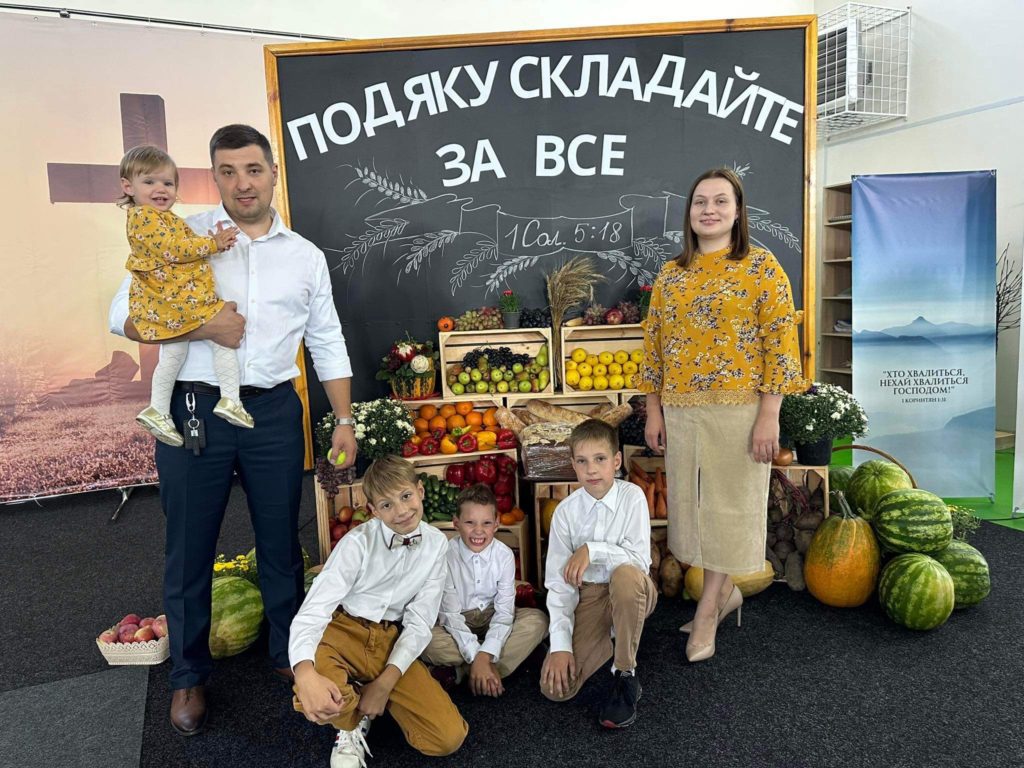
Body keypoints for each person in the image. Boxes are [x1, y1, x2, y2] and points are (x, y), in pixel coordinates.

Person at [108, 125, 358, 736]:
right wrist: (204, 329)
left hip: (274, 411)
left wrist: (344, 419)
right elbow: (121, 317)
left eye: (253, 169)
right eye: (227, 171)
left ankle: (285, 653)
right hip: (196, 409)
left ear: (273, 172)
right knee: (189, 547)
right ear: (213, 176)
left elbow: (326, 340)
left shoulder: (304, 255)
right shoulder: (178, 233)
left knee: (280, 543)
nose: (241, 182)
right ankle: (187, 676)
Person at [638, 167, 807, 663]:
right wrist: (653, 410)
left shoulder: (761, 266)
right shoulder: (671, 274)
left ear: (738, 211)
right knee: (692, 512)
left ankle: (709, 609)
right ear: (688, 213)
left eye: (720, 201)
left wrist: (769, 415)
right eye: (699, 202)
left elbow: (780, 344)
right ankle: (724, 593)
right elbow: (654, 349)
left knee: (729, 509)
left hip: (740, 411)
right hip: (682, 410)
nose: (708, 210)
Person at [290, 455, 468, 767]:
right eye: (386, 505)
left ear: (420, 490)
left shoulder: (437, 544)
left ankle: (359, 694)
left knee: (447, 738)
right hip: (341, 629)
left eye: (406, 496)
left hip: (389, 638)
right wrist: (303, 672)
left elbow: (421, 620)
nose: (401, 511)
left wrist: (385, 683)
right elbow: (314, 610)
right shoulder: (357, 542)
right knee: (319, 697)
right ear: (372, 510)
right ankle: (348, 723)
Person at [118, 145, 254, 446]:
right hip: (178, 303)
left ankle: (158, 409)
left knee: (175, 354)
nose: (161, 189)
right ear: (128, 186)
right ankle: (230, 399)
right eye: (149, 182)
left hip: (176, 302)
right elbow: (175, 249)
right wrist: (214, 243)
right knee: (224, 338)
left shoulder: (164, 218)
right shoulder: (144, 218)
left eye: (168, 183)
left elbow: (179, 244)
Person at [541, 419, 655, 729]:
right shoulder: (565, 512)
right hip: (589, 594)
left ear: (616, 461)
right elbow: (559, 585)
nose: (592, 470)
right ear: (573, 466)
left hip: (634, 588)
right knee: (556, 690)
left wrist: (593, 549)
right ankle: (609, 635)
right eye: (582, 461)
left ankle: (625, 673)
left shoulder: (633, 497)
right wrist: (561, 645)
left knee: (625, 577)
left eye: (600, 459)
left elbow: (639, 562)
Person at [421, 483, 548, 695]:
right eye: (470, 522)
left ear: (496, 524)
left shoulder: (504, 555)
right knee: (426, 640)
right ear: (456, 523)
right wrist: (478, 653)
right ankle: (495, 666)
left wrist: (482, 654)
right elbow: (450, 615)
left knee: (538, 621)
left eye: (486, 523)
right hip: (458, 619)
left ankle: (462, 672)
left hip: (492, 615)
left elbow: (505, 612)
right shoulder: (446, 556)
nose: (478, 531)